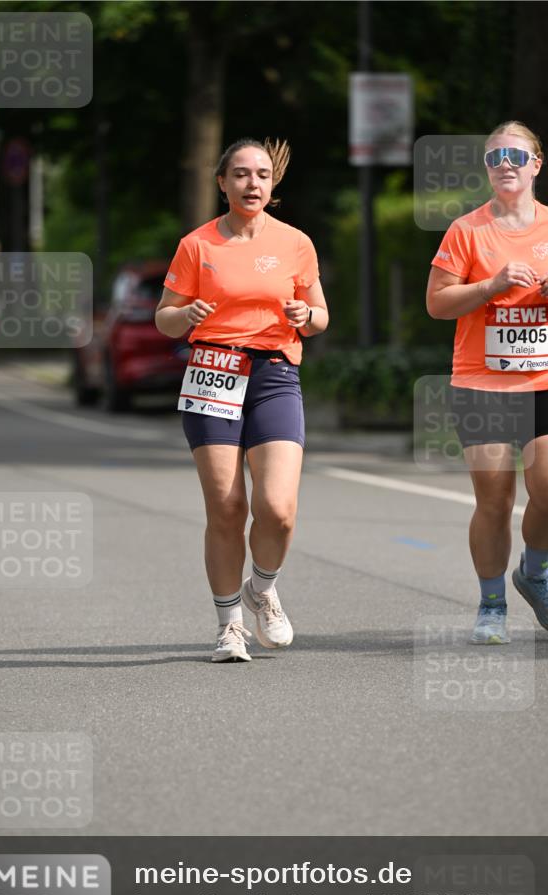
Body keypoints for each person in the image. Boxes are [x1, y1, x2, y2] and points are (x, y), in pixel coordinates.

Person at [155, 138, 329, 661]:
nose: (253, 183)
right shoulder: (197, 245)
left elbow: (320, 316)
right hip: (212, 371)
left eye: (262, 175)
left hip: (275, 374)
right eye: (241, 174)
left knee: (277, 509)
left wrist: (306, 316)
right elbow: (164, 317)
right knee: (228, 508)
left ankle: (262, 589)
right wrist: (185, 315)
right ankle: (229, 624)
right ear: (222, 183)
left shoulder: (296, 243)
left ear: (272, 185)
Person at [426, 122, 548, 643]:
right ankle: (492, 604)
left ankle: (535, 574)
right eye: (495, 156)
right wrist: (491, 285)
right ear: (486, 167)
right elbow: (437, 303)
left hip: (547, 380)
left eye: (516, 156)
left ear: (536, 165)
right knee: (495, 499)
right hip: (483, 384)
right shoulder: (467, 230)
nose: (505, 164)